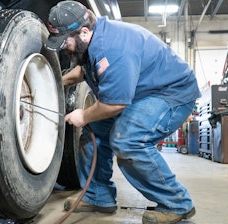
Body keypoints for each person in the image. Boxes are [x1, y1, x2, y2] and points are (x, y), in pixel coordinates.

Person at [45, 1, 201, 223]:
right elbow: (83, 69)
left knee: (127, 139)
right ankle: (98, 196)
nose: (63, 47)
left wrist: (83, 115)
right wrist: (58, 82)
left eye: (65, 41)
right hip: (142, 91)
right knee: (95, 130)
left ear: (85, 32)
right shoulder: (93, 41)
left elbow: (115, 104)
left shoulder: (113, 48)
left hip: (171, 93)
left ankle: (176, 203)